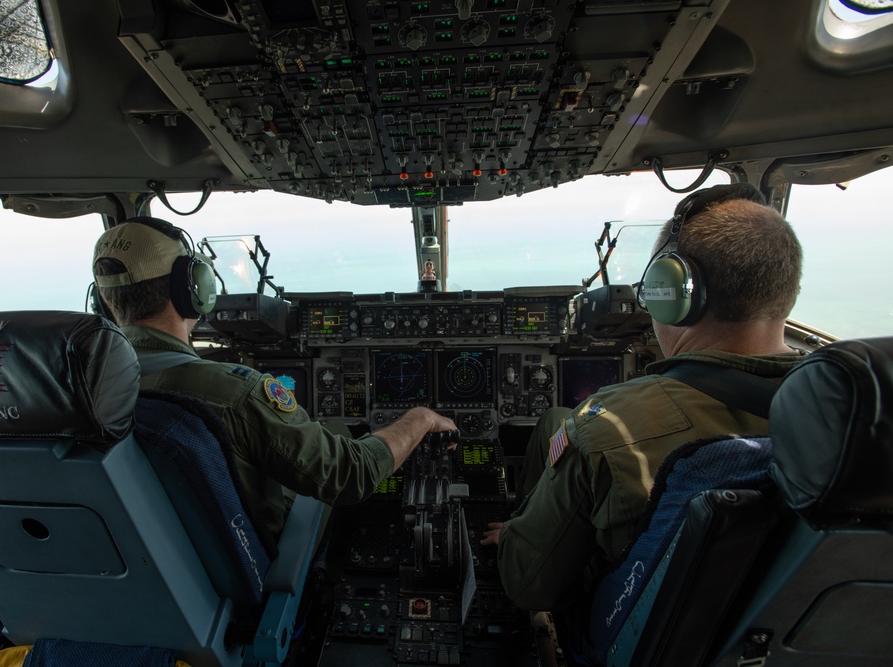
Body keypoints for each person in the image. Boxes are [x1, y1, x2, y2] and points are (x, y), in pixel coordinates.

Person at [480, 184, 806, 650]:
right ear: (785, 291)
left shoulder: (607, 423)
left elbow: (527, 587)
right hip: (763, 632)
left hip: (634, 630)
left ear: (672, 293)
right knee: (556, 418)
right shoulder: (851, 418)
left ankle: (527, 529)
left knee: (567, 429)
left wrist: (519, 544)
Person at [92, 216, 457, 540]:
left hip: (159, 553)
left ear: (103, 301)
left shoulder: (76, 388)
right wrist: (420, 419)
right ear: (193, 290)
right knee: (338, 438)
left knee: (331, 434)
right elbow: (351, 474)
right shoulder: (236, 394)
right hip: (253, 560)